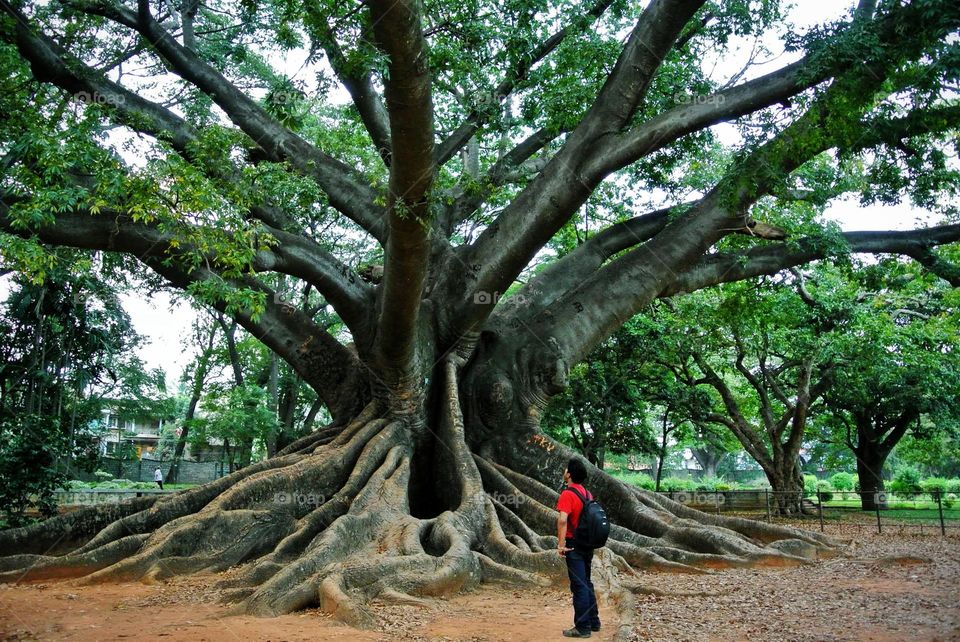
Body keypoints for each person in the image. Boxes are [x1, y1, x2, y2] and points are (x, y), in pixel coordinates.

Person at [556, 457, 601, 638]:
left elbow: (562, 520)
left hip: (573, 545)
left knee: (579, 586)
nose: (564, 471)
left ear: (569, 474)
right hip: (587, 544)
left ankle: (582, 627)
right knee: (587, 582)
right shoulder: (587, 494)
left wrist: (561, 545)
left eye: (566, 469)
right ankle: (594, 622)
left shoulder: (568, 494)